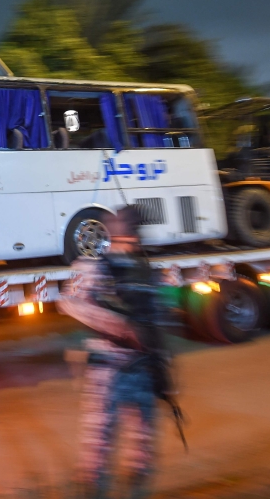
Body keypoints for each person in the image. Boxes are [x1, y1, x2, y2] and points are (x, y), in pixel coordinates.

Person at [61, 206, 181, 498]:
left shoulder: (145, 268)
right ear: (113, 230)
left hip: (145, 367)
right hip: (109, 368)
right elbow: (69, 302)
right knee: (98, 445)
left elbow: (158, 317)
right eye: (128, 229)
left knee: (142, 446)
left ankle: (136, 488)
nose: (133, 236)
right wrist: (119, 325)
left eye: (135, 230)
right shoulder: (94, 265)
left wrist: (165, 367)